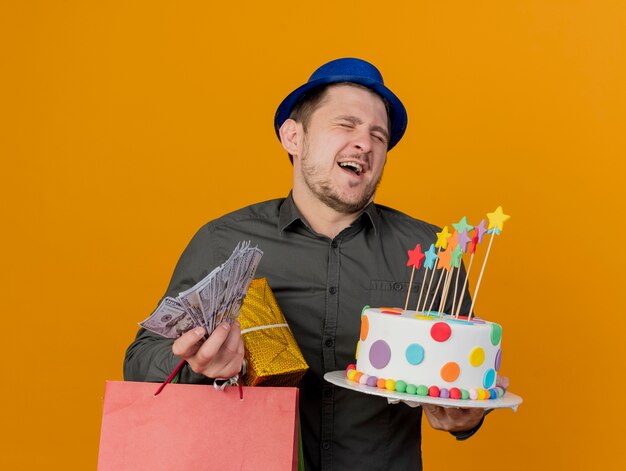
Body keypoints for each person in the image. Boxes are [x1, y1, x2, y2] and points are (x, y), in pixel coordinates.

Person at [124, 58, 487, 470]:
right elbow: (139, 360)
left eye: (377, 136)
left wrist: (468, 416)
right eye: (345, 125)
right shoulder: (222, 242)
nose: (364, 144)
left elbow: (460, 387)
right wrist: (197, 364)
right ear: (293, 137)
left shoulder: (433, 252)